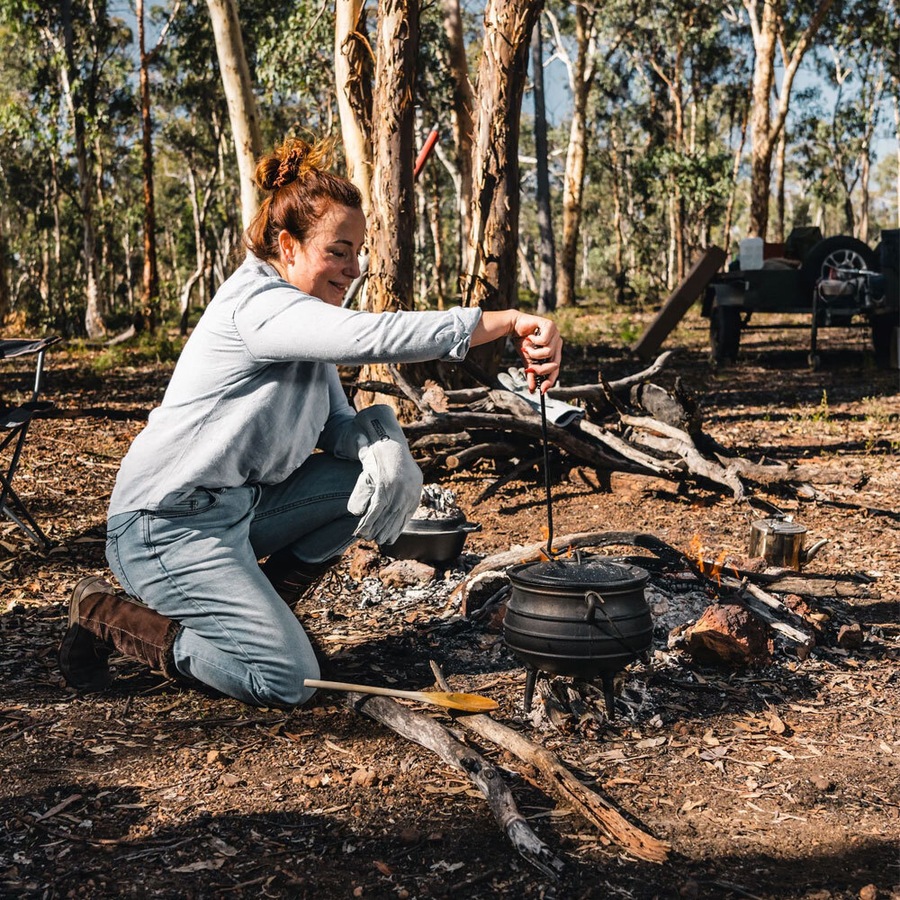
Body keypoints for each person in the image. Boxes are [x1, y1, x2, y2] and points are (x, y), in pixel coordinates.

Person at [58, 137, 562, 709]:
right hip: (163, 526)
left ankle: (263, 615)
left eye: (358, 253)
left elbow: (340, 432)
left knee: (360, 483)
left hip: (240, 512)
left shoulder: (305, 322)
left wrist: (387, 444)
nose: (352, 270)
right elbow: (372, 335)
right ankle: (105, 612)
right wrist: (507, 320)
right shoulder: (258, 306)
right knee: (290, 681)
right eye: (338, 252)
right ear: (288, 245)